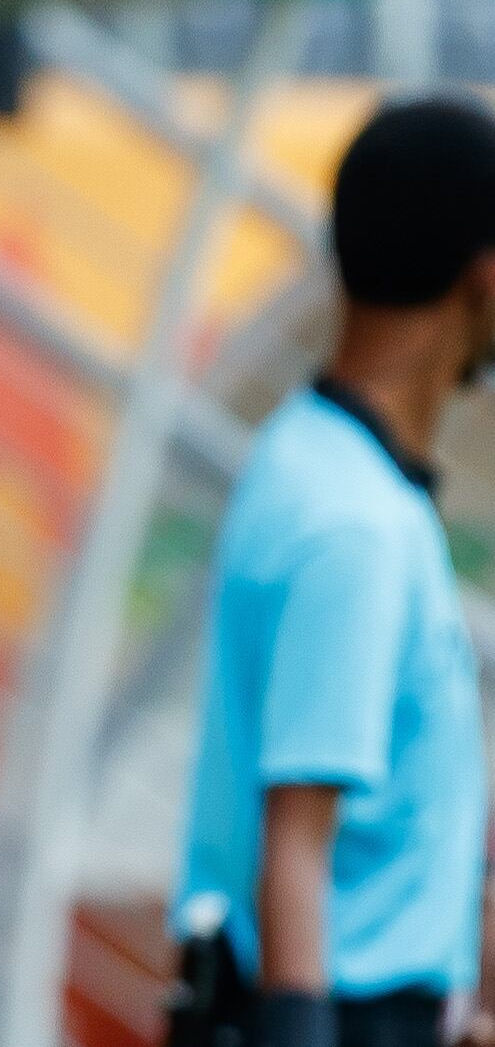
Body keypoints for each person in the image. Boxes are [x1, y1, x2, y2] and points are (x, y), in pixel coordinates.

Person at [172, 93, 495, 1047]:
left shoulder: (310, 461)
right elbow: (296, 845)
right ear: (481, 276)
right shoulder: (350, 525)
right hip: (336, 1021)